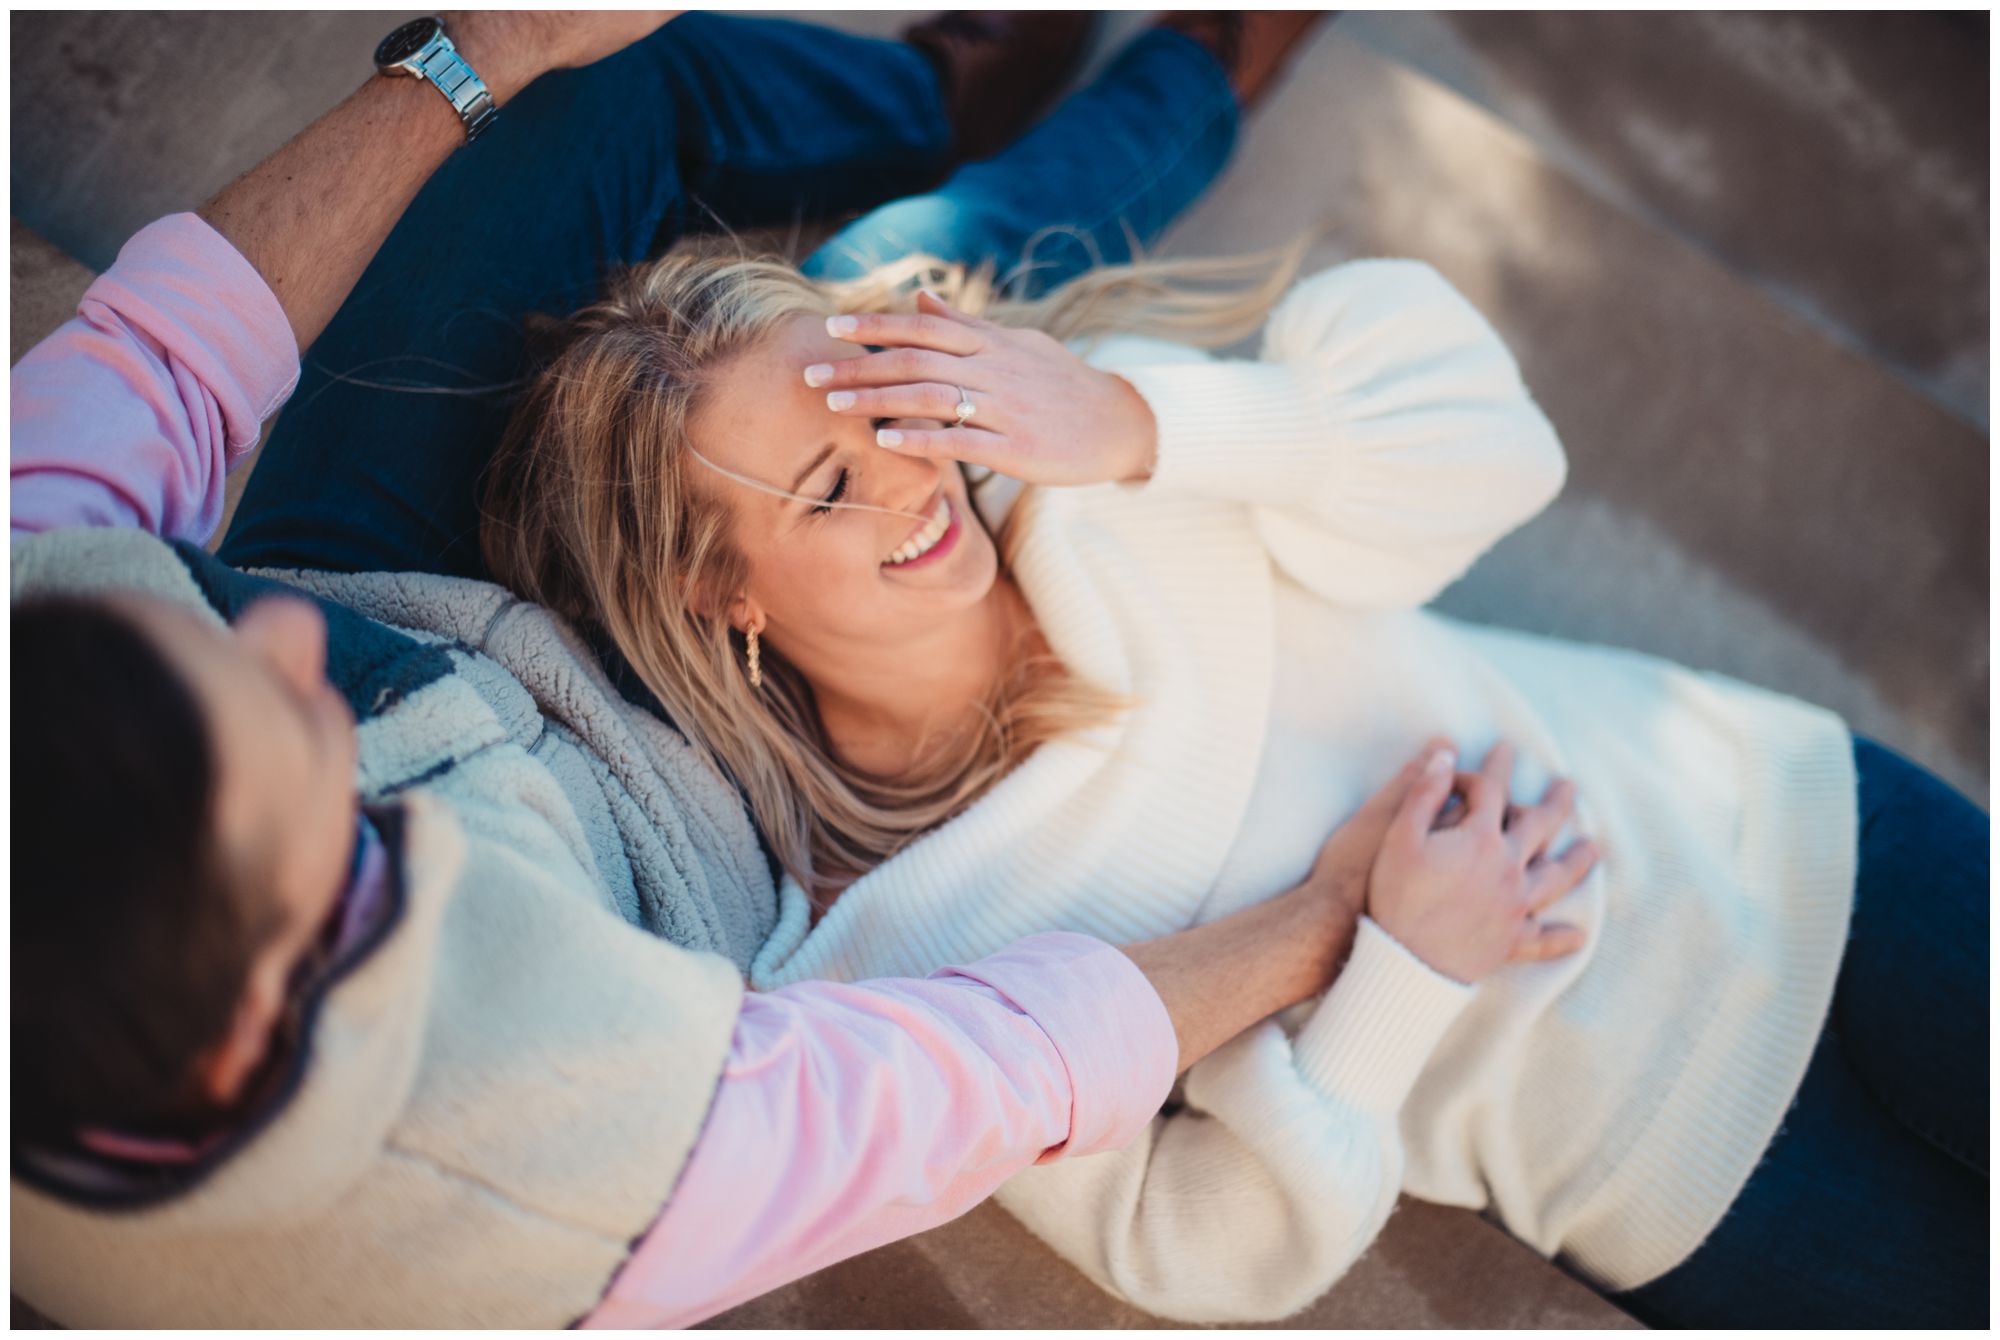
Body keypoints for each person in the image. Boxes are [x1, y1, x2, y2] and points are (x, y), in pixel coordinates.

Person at [10, 9, 1499, 1330]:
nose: (263, 631)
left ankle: (924, 95)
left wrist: (489, 49)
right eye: (279, 724)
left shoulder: (51, 621)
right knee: (891, 321)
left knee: (592, 92)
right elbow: (1000, 1069)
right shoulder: (575, 1184)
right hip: (675, 803)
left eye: (185, 634)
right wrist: (1332, 922)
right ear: (288, 979)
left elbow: (155, 364)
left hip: (381, 577)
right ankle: (1196, 72)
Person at [466, 112, 1993, 1336]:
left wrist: (1143, 424)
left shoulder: (1094, 458)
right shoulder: (894, 941)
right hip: (1692, 1167)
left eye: (882, 424)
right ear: (712, 593)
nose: (912, 484)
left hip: (1808, 831)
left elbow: (1492, 451)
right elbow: (1192, 1247)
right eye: (828, 491)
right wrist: (1397, 972)